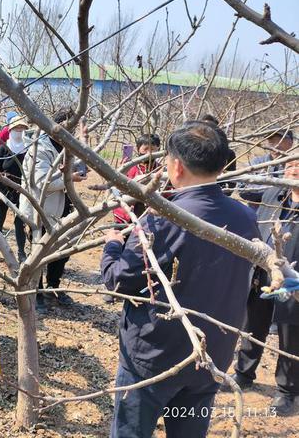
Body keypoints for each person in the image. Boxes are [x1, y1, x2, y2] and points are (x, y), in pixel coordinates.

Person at [101, 121, 260, 438]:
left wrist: (113, 245)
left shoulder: (162, 218)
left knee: (131, 431)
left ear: (175, 164)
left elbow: (118, 281)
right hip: (211, 355)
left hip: (154, 357)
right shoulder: (247, 218)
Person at [228, 159, 299, 416]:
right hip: (262, 271)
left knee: (291, 335)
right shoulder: (274, 193)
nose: (294, 170)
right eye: (291, 164)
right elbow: (244, 190)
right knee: (252, 325)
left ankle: (287, 391)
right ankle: (244, 374)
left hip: (294, 279)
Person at [19, 108, 87, 313]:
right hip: (41, 209)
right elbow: (41, 182)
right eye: (69, 127)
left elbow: (79, 166)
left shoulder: (66, 146)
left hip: (61, 206)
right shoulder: (39, 149)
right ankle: (36, 293)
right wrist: (69, 178)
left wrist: (83, 143)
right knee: (39, 251)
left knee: (62, 250)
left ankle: (53, 286)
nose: (71, 132)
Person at [0, 115, 29, 264]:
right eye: (16, 128)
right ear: (10, 129)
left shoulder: (28, 149)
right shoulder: (3, 148)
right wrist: (2, 177)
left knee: (20, 223)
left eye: (21, 128)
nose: (19, 131)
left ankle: (21, 252)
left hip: (21, 193)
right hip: (3, 192)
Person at [113, 133, 161, 224]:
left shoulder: (161, 170)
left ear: (158, 149)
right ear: (138, 149)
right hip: (128, 212)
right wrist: (121, 171)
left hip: (152, 214)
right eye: (145, 149)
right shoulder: (130, 167)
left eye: (153, 150)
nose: (149, 153)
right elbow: (117, 189)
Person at [239, 129, 293, 208]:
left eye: (280, 141)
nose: (276, 146)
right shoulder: (257, 163)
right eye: (271, 142)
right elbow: (243, 190)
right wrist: (278, 189)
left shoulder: (295, 165)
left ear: (290, 143)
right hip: (259, 214)